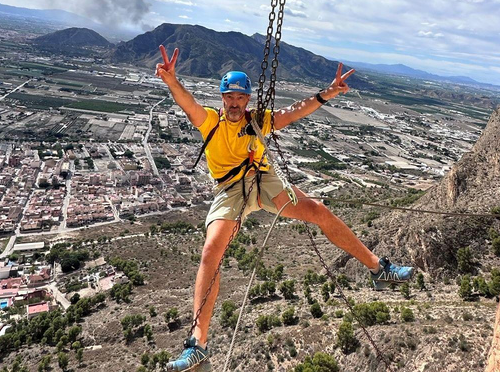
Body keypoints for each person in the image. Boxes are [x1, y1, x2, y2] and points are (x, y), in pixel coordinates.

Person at [154, 45, 414, 372]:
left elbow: (293, 112)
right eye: (229, 98)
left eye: (240, 98)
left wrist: (327, 94)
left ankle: (379, 269)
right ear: (222, 99)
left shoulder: (259, 120)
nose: (234, 103)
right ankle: (198, 344)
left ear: (247, 100)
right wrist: (171, 80)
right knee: (211, 252)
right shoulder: (210, 122)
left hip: (262, 179)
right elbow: (187, 103)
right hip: (231, 189)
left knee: (319, 211)